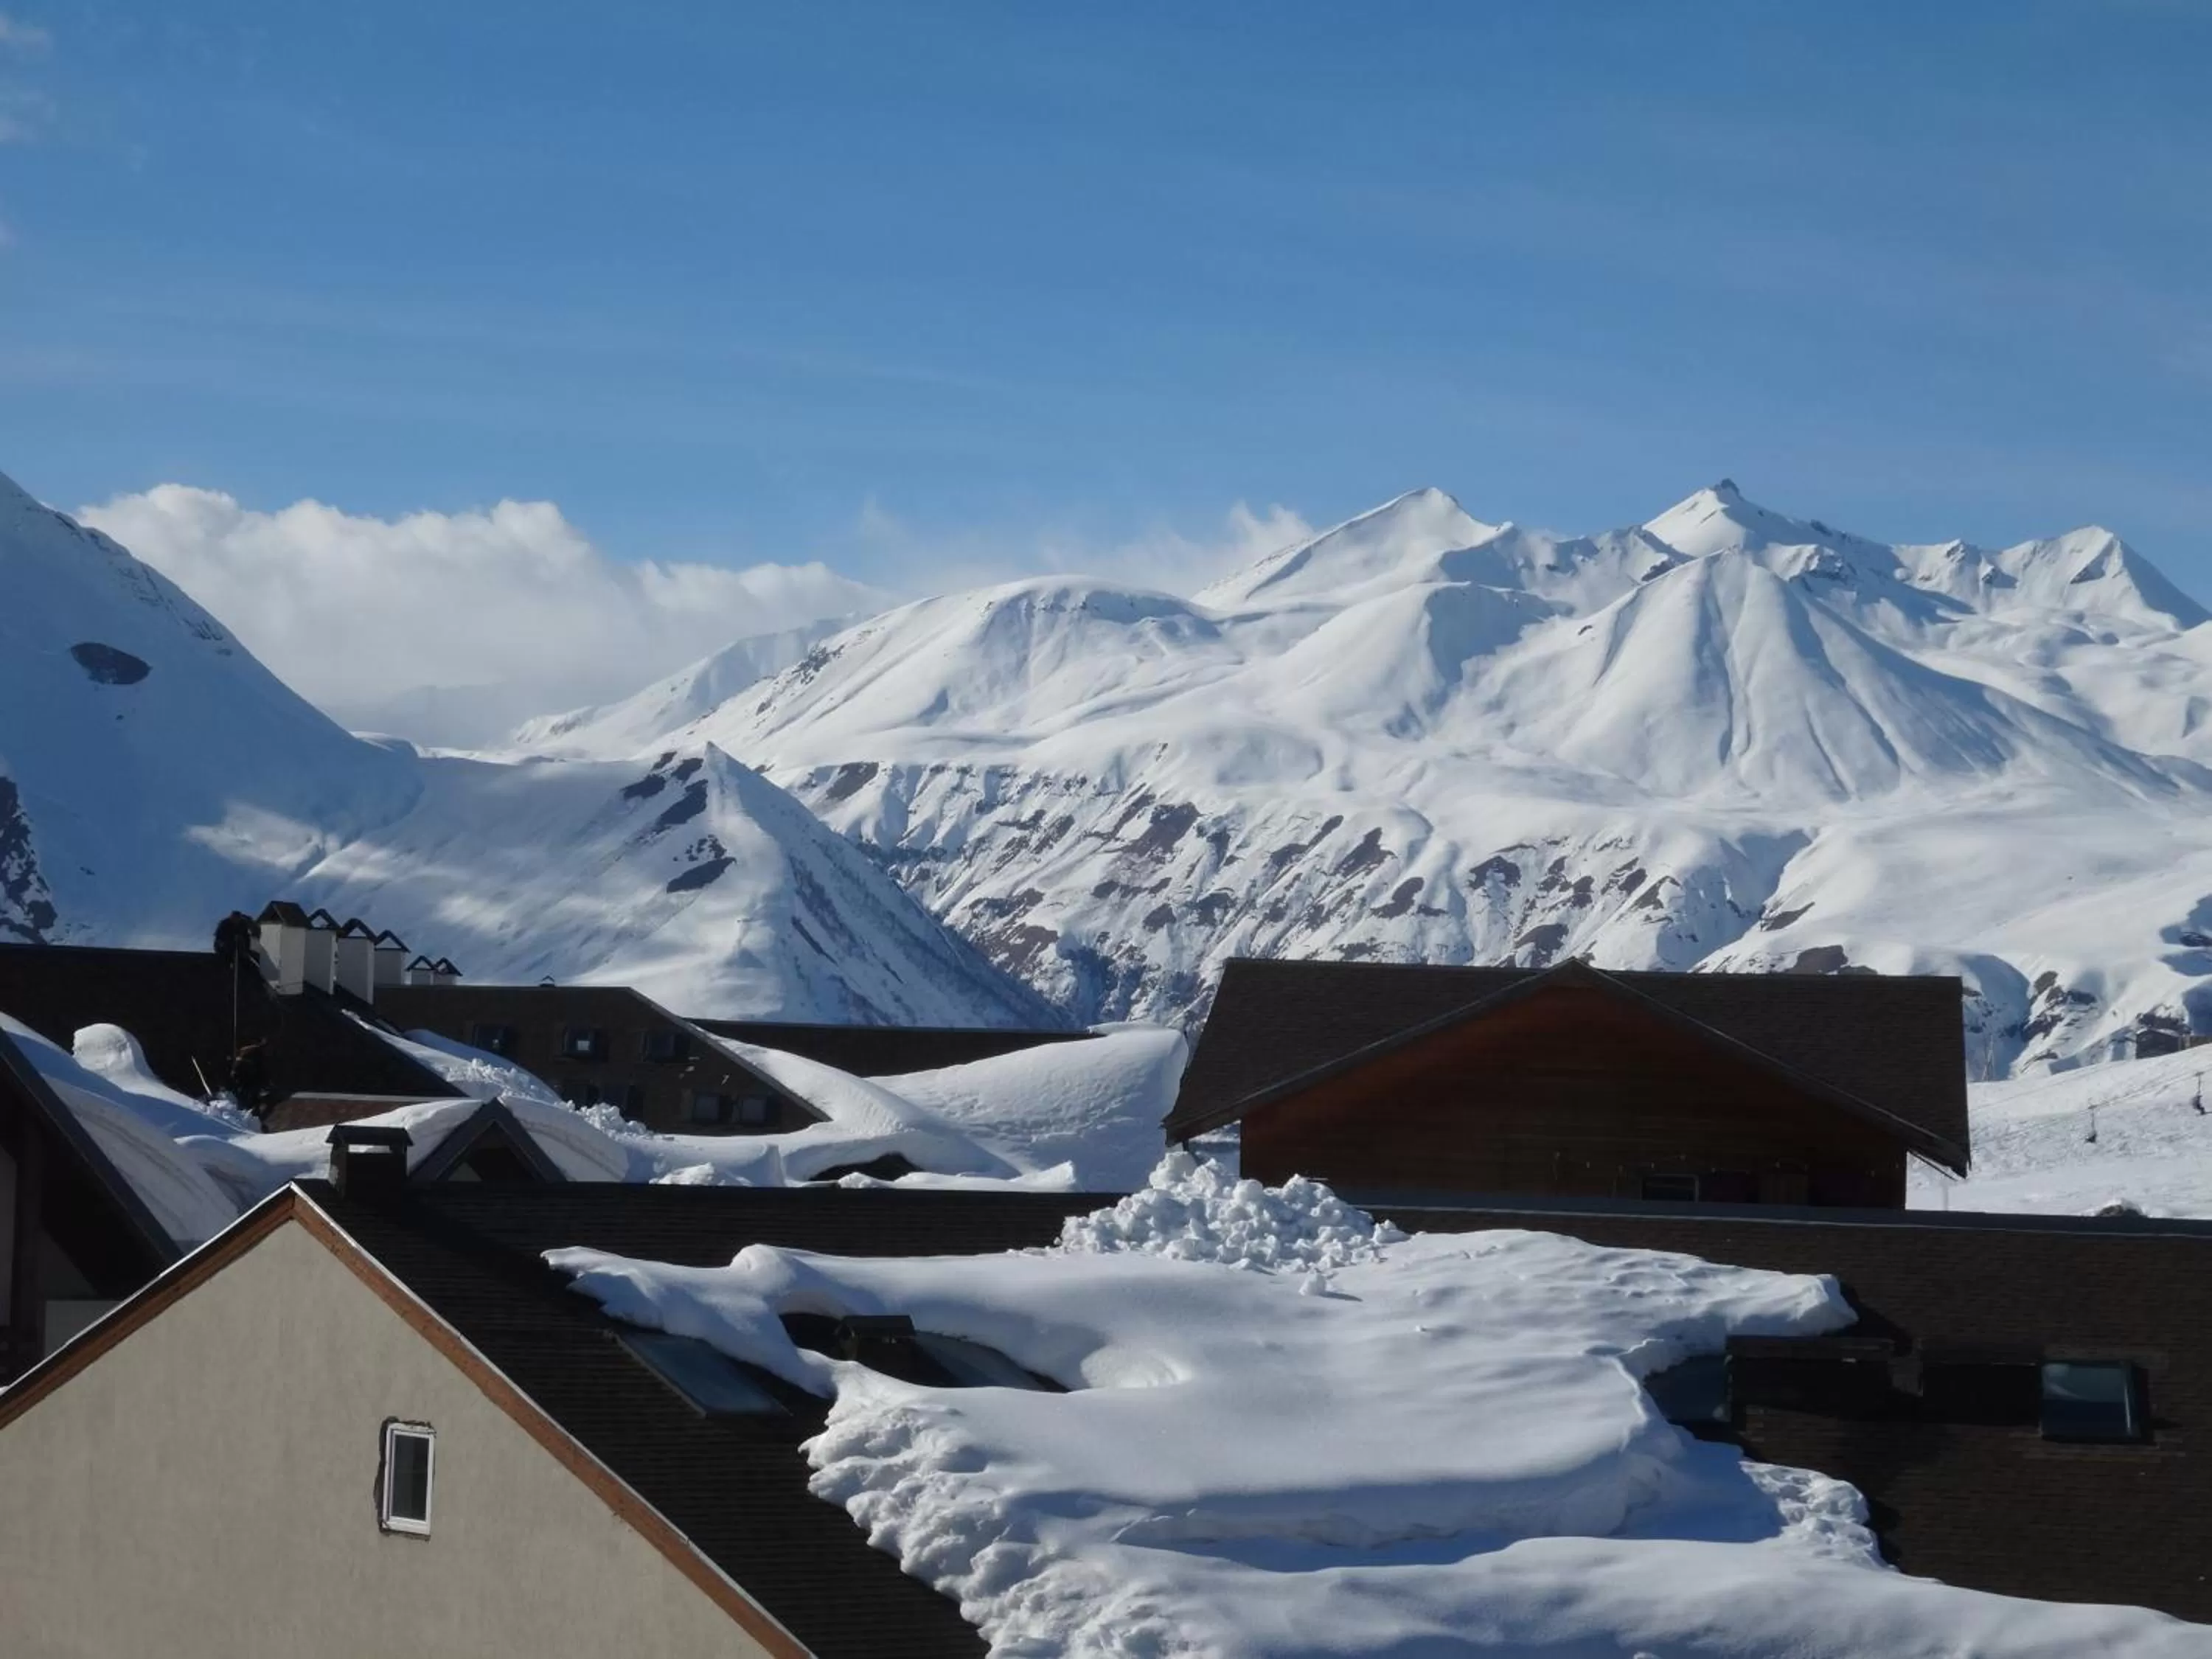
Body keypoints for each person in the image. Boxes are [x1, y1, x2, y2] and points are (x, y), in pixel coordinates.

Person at [229, 1040, 271, 1126]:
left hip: (237, 1074)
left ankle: (242, 1116)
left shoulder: (249, 1049)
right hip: (245, 1075)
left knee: (244, 1096)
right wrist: (266, 1084)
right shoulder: (258, 1053)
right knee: (253, 1098)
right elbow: (261, 1070)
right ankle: (254, 1120)